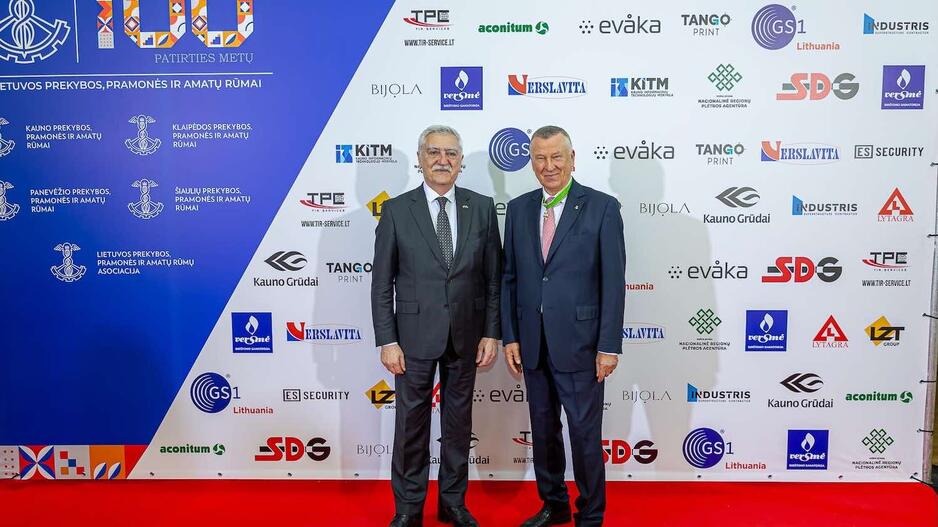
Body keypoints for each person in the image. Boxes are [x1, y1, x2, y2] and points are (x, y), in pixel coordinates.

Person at [372, 125, 502, 527]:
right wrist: (387, 340)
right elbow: (382, 283)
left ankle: (452, 503)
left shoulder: (482, 207)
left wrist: (491, 331)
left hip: (467, 335)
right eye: (434, 152)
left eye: (451, 153)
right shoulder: (396, 210)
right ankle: (408, 508)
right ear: (420, 159)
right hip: (412, 339)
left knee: (458, 425)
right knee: (410, 425)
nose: (442, 160)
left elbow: (494, 279)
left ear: (460, 162)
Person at [501, 125, 625, 527]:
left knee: (585, 435)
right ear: (531, 162)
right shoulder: (518, 209)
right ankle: (553, 504)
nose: (549, 166)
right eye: (540, 158)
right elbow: (510, 278)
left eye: (557, 156)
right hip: (533, 344)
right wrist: (510, 336)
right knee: (543, 431)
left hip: (582, 346)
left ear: (573, 159)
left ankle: (590, 514)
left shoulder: (602, 207)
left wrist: (608, 345)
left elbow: (613, 282)